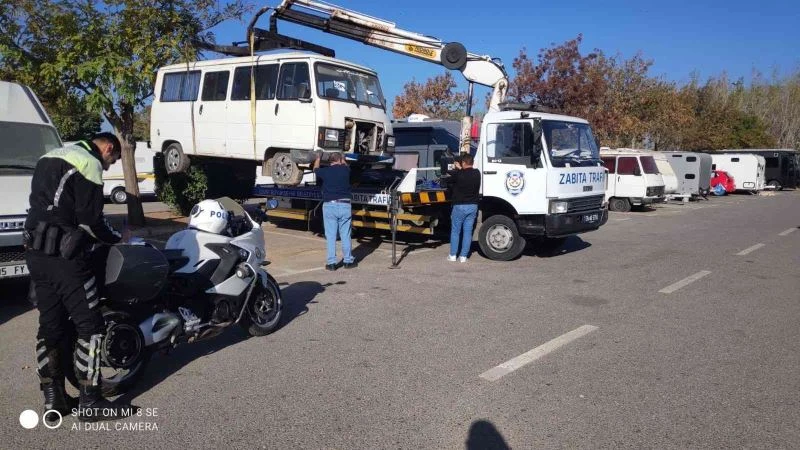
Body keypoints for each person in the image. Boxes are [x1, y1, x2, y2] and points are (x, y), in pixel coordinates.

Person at [24, 132, 134, 423]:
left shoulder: (50, 156)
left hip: (35, 252)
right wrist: (117, 238)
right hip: (66, 255)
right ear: (108, 147)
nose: (110, 166)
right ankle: (91, 401)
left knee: (51, 325)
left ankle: (53, 399)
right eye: (114, 159)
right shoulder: (88, 162)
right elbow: (90, 220)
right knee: (91, 326)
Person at [312, 151, 356, 270]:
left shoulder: (325, 171)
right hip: (344, 205)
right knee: (345, 234)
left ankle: (331, 263)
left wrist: (318, 158)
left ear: (330, 161)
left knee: (331, 236)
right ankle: (347, 261)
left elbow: (315, 169)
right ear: (340, 160)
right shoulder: (346, 170)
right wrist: (343, 158)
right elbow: (346, 165)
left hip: (329, 206)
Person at [445, 153, 481, 262]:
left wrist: (457, 168)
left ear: (464, 163)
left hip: (459, 206)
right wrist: (460, 168)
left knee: (456, 231)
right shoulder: (477, 173)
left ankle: (452, 255)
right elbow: (466, 173)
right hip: (473, 206)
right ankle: (463, 256)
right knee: (467, 232)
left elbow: (449, 180)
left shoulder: (458, 174)